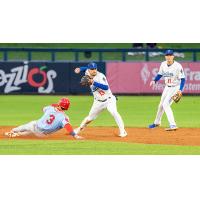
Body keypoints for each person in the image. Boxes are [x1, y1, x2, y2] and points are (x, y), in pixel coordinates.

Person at [74, 62, 127, 137]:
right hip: (97, 102)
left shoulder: (100, 76)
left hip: (109, 100)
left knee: (114, 112)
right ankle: (78, 129)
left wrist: (94, 82)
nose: (94, 70)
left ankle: (123, 131)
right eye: (92, 69)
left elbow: (106, 87)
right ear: (89, 70)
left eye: (95, 68)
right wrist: (80, 69)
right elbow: (85, 68)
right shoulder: (87, 72)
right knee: (89, 118)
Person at [4, 97, 83, 139]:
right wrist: (75, 135)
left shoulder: (50, 108)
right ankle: (16, 134)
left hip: (35, 126)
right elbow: (67, 126)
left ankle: (13, 131)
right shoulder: (65, 117)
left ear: (59, 104)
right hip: (42, 135)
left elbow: (43, 108)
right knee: (25, 134)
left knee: (24, 127)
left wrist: (55, 105)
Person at [148, 50, 186, 131]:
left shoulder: (178, 66)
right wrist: (154, 80)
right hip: (167, 87)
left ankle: (172, 124)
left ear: (173, 56)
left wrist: (180, 90)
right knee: (161, 105)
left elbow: (183, 79)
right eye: (167, 55)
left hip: (175, 87)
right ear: (165, 56)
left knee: (165, 104)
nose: (168, 57)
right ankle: (157, 122)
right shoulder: (163, 64)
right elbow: (160, 74)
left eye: (170, 55)